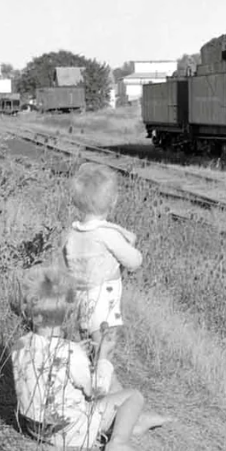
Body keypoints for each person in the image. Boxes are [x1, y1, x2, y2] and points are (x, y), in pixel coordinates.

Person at [10, 264, 168, 451]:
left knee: (101, 394)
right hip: (69, 433)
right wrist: (103, 357)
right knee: (133, 395)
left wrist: (74, 351)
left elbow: (47, 365)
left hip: (33, 426)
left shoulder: (20, 344)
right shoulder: (71, 353)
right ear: (67, 312)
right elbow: (96, 390)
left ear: (29, 312)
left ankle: (130, 423)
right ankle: (119, 442)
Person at [63, 163, 143, 393]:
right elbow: (134, 261)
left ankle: (92, 383)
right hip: (103, 301)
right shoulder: (107, 234)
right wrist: (132, 246)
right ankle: (102, 392)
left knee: (90, 346)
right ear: (113, 201)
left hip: (80, 300)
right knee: (105, 347)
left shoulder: (72, 233)